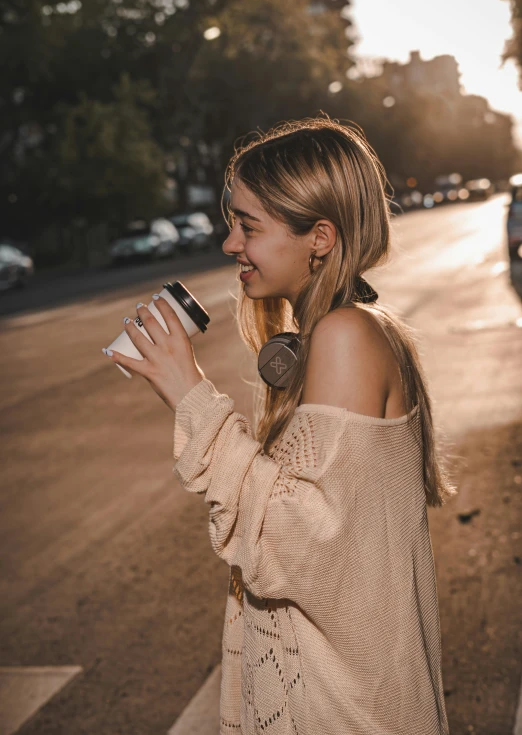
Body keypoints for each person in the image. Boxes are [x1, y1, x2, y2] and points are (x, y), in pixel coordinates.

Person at [104, 115, 456, 734]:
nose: (229, 244)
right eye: (230, 222)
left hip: (344, 713)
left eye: (248, 225)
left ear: (318, 236)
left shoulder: (347, 334)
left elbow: (299, 544)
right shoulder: (341, 331)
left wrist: (191, 394)